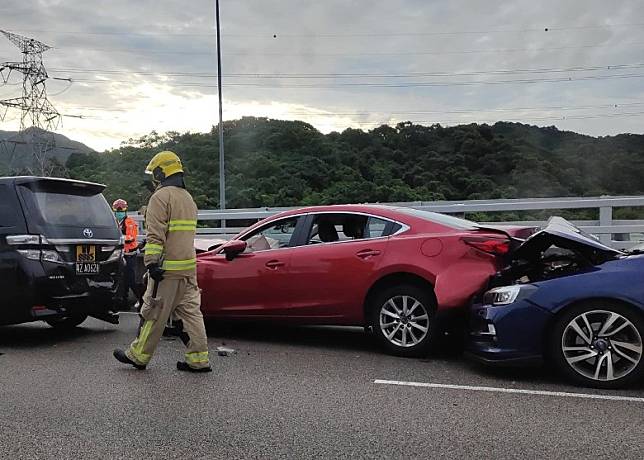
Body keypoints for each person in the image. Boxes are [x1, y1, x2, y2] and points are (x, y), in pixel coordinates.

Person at [113, 150, 211, 373]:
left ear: (161, 171)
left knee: (153, 311)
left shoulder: (160, 197)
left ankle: (138, 355)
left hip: (166, 269)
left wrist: (151, 263)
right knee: (191, 313)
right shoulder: (188, 198)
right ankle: (198, 359)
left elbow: (156, 235)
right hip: (188, 267)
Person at [112, 199, 139, 309]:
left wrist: (118, 239)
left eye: (121, 210)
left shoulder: (129, 222)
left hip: (130, 254)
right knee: (122, 280)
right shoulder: (116, 222)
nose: (119, 212)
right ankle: (124, 302)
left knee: (130, 279)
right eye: (117, 210)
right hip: (120, 254)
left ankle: (141, 298)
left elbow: (131, 237)